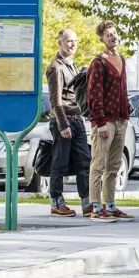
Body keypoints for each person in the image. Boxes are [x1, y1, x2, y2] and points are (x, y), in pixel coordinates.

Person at [86, 20, 133, 221]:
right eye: (108, 35)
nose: (112, 37)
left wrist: (127, 112)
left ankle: (111, 204)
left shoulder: (121, 58)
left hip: (121, 119)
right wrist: (100, 121)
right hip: (105, 121)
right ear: (102, 39)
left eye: (114, 33)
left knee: (114, 165)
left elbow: (123, 90)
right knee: (99, 164)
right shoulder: (99, 63)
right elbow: (94, 95)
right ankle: (96, 207)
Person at [45, 29, 92, 217]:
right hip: (62, 121)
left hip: (77, 119)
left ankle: (87, 203)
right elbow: (56, 101)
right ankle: (56, 203)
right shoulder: (55, 67)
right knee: (60, 163)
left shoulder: (71, 64)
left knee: (84, 161)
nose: (72, 44)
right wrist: (63, 125)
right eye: (68, 41)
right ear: (60, 43)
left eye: (75, 41)